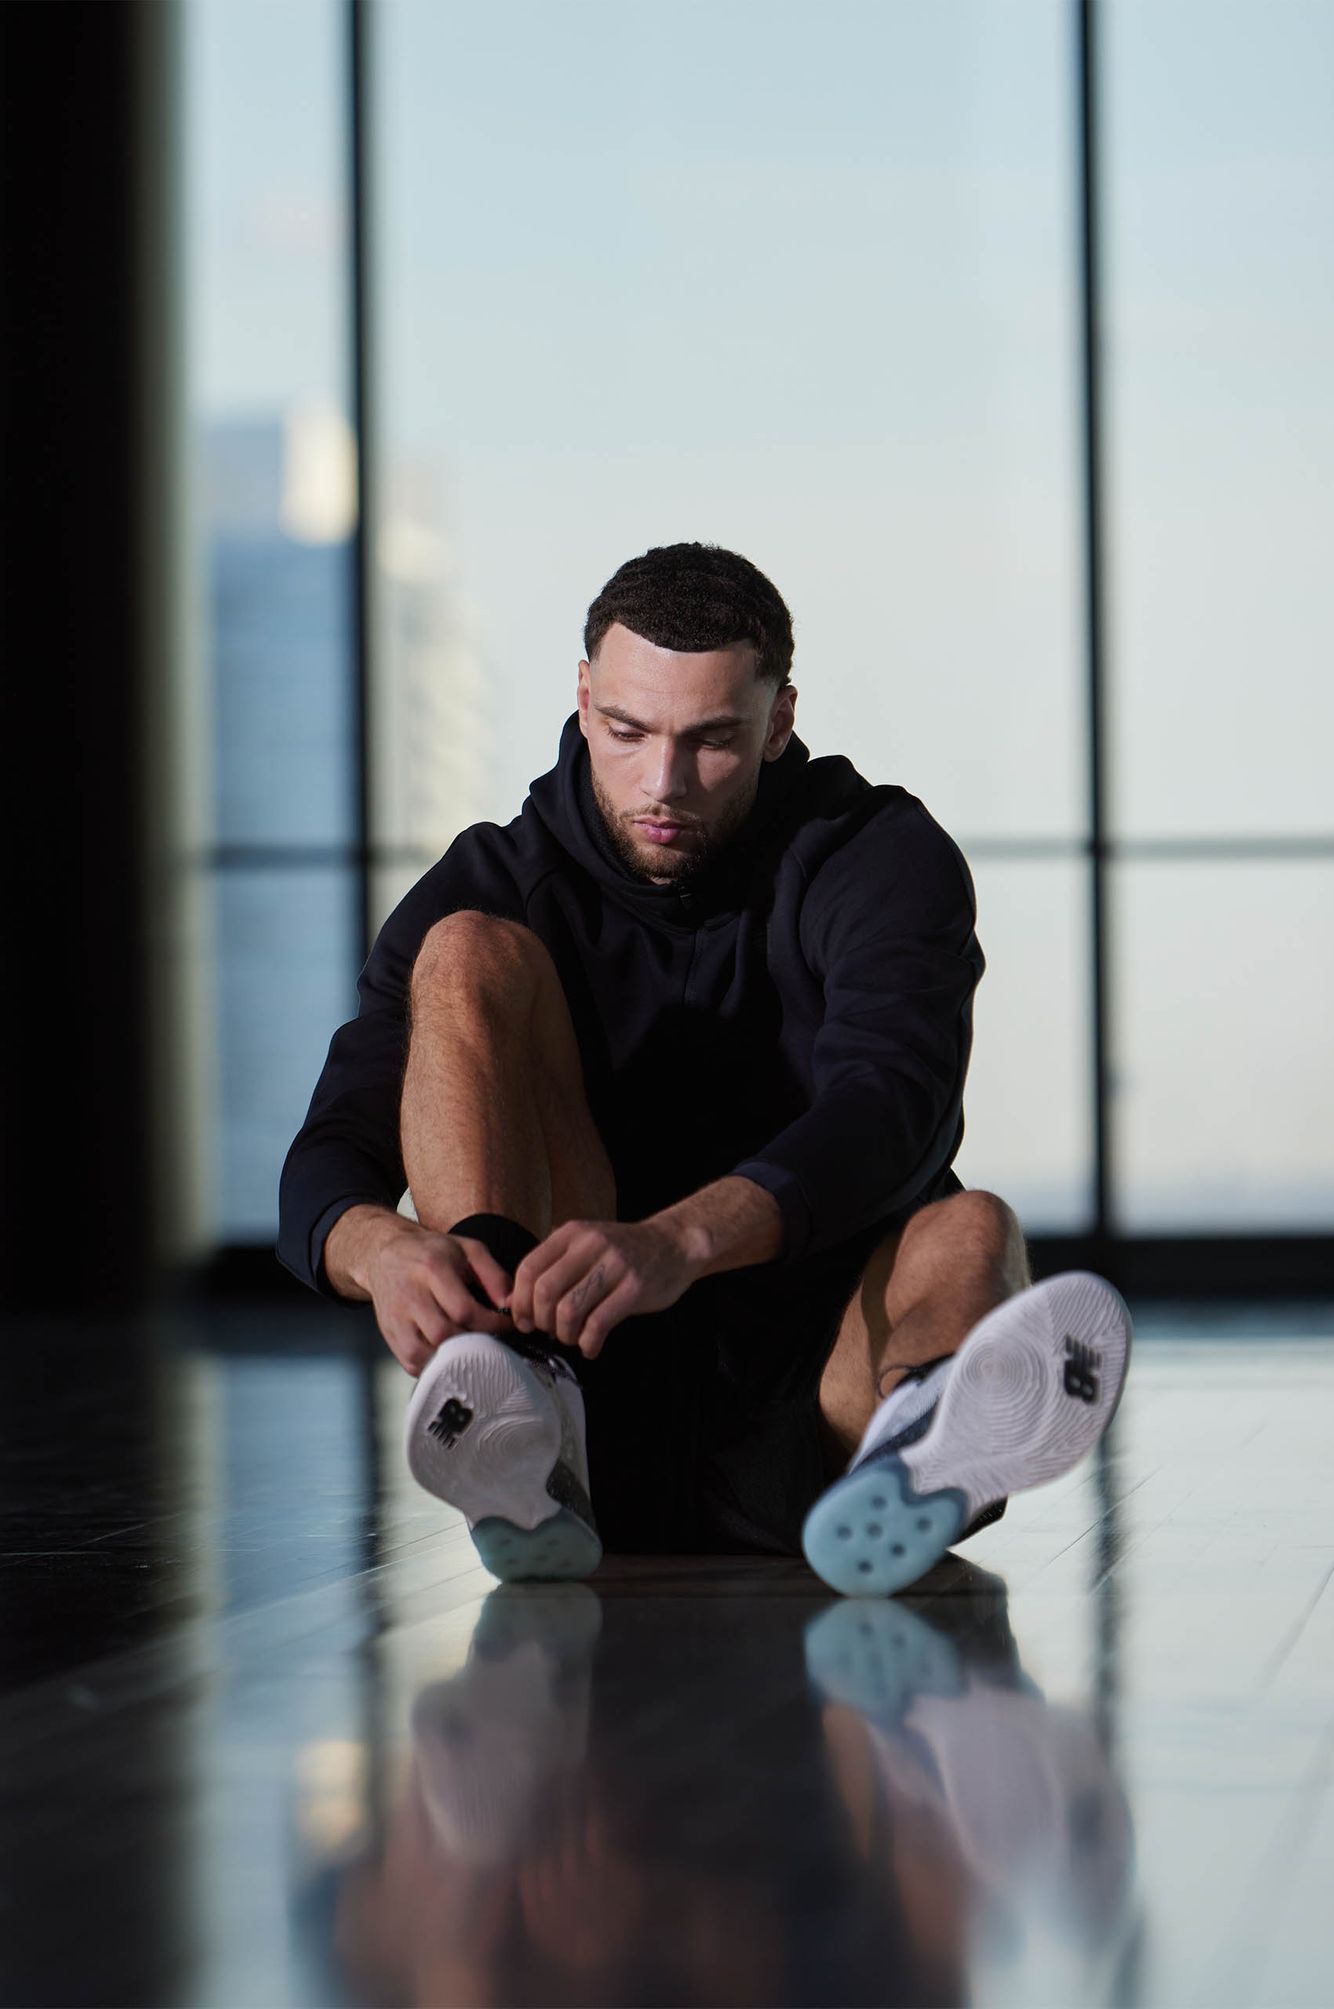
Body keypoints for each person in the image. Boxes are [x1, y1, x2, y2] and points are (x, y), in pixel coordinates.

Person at [277, 541, 1131, 1590]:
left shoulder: (878, 854)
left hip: (820, 1405)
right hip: (576, 1390)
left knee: (971, 1228)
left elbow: (893, 1102)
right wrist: (382, 1251)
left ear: (777, 720)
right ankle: (515, 1397)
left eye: (711, 739)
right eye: (626, 732)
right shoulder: (492, 878)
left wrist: (679, 1238)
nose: (662, 783)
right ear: (583, 699)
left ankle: (924, 1434)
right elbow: (328, 1154)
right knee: (463, 952)